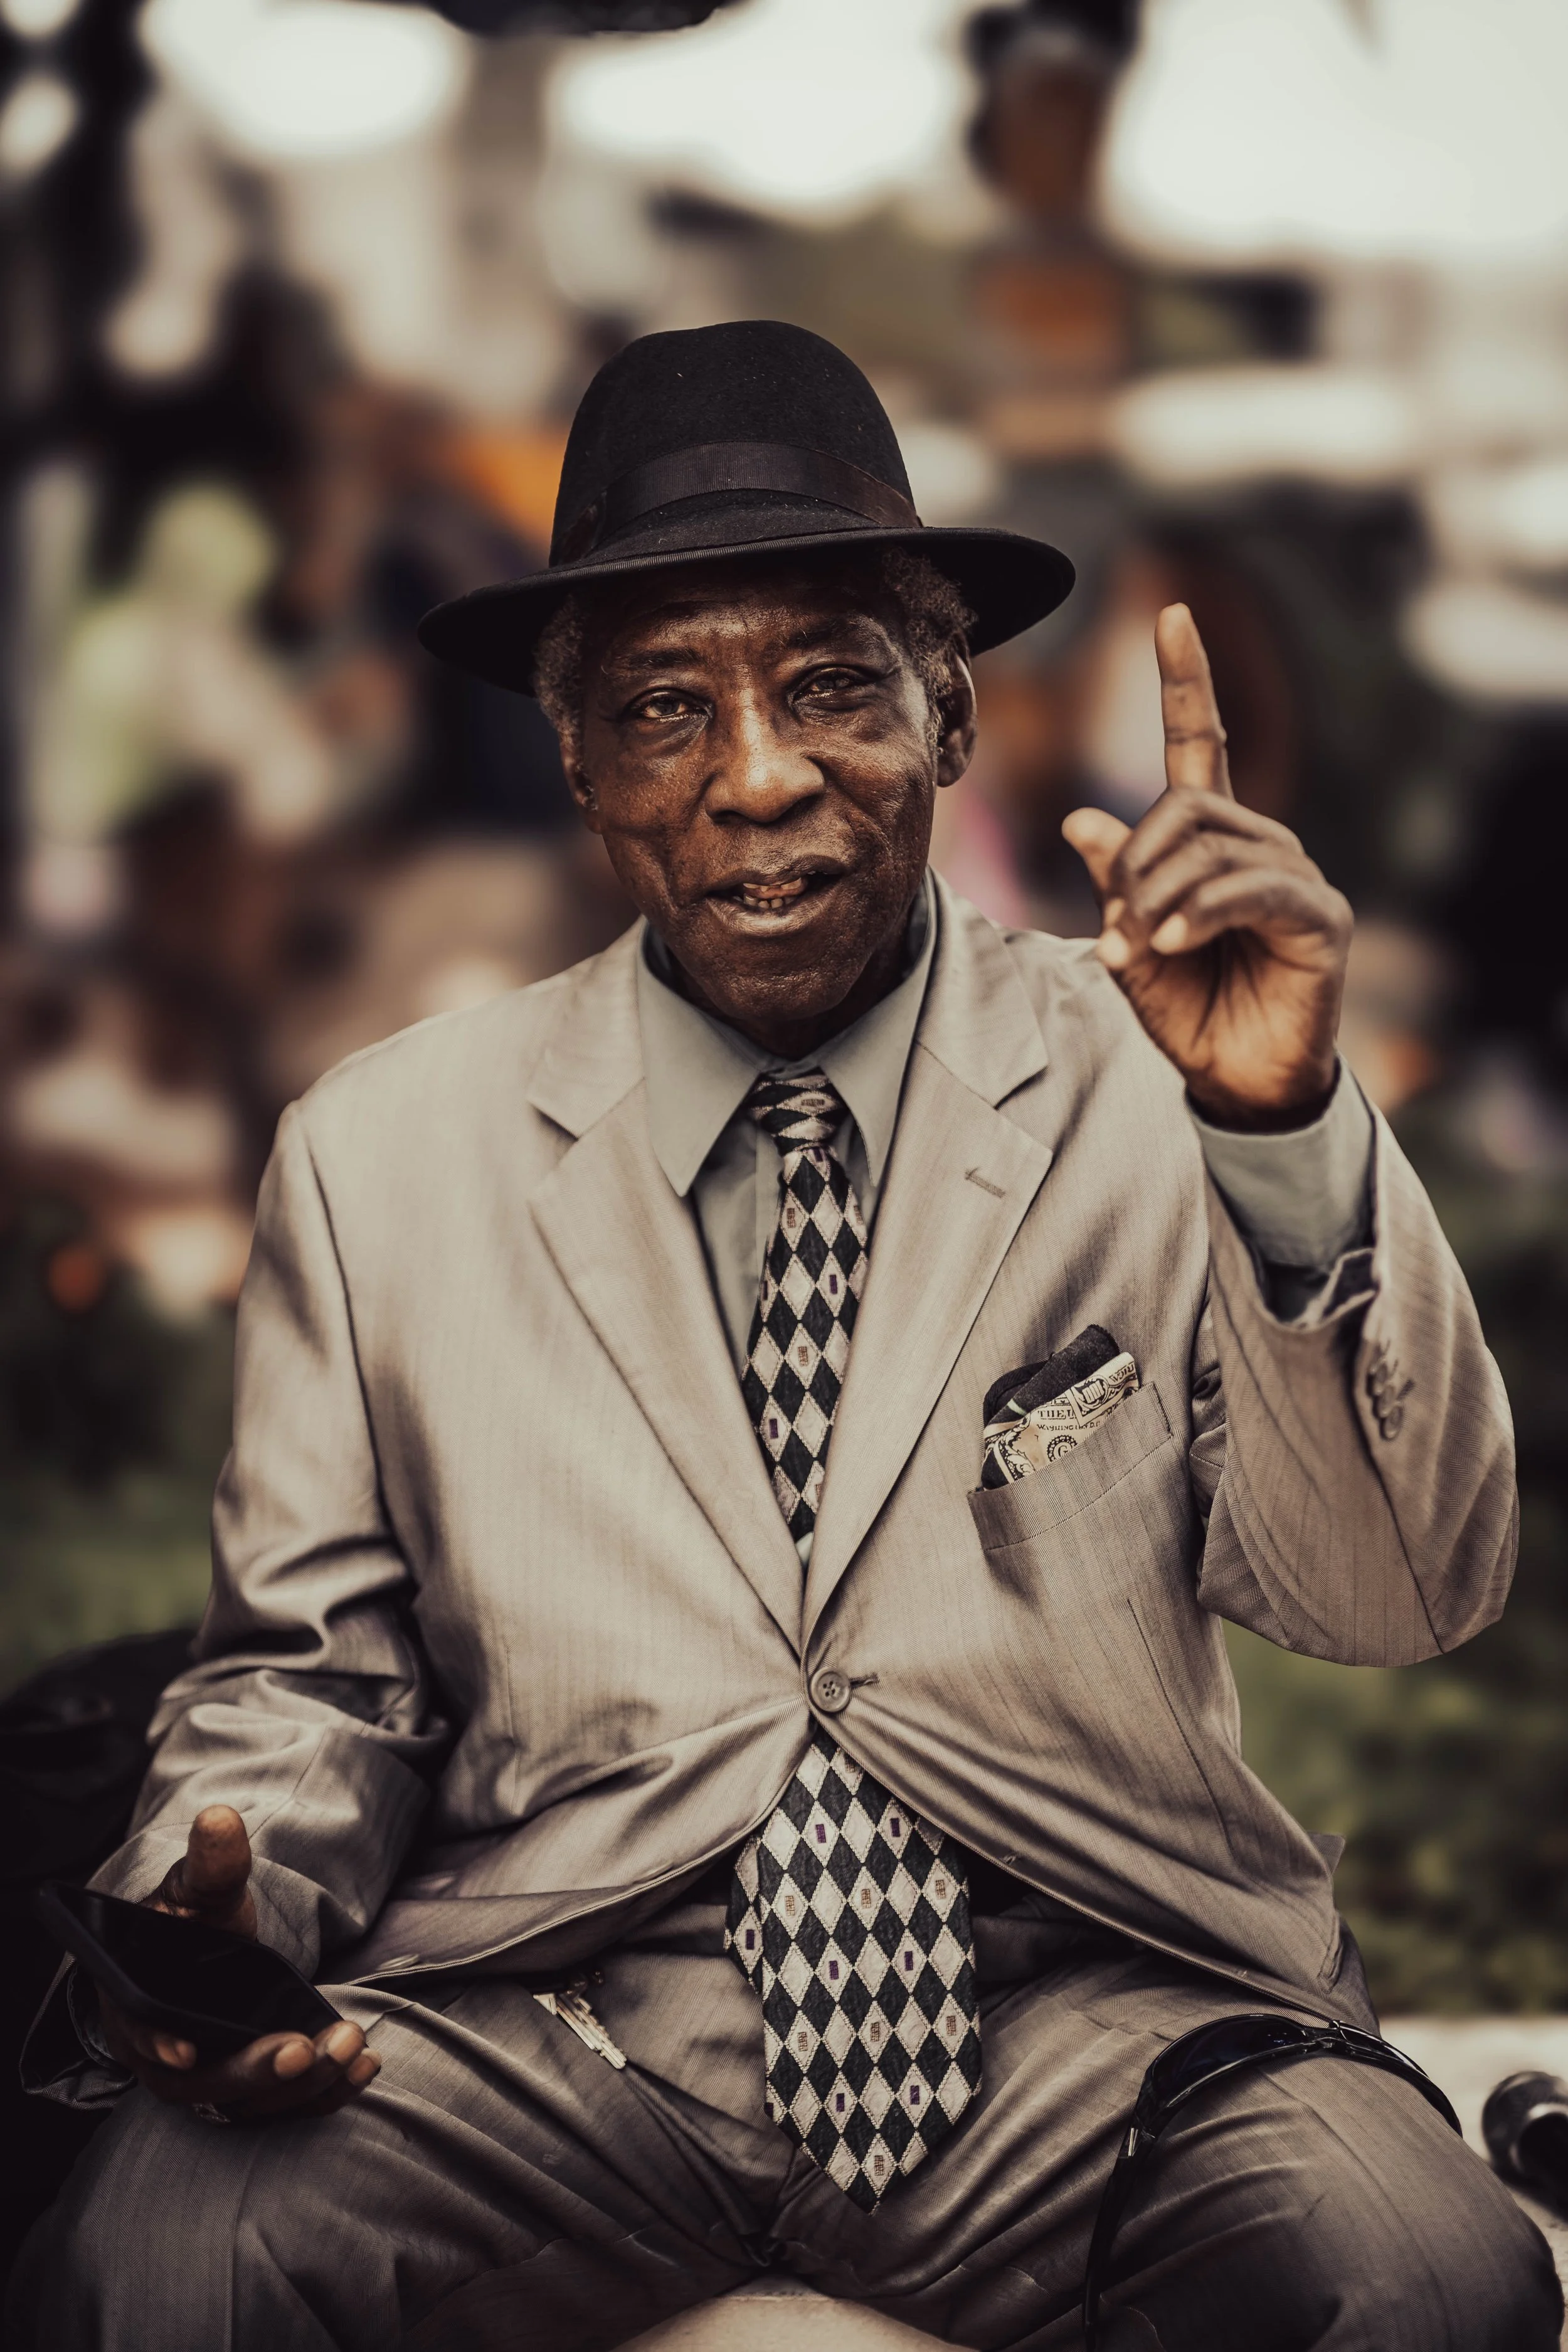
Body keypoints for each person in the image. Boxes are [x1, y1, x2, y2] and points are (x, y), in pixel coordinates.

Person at [13, 323, 1559, 2349]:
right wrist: (214, 1920)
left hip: (1093, 2026)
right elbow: (318, 1679)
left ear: (949, 716)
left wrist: (1272, 1131)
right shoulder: (380, 1153)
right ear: (576, 762)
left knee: (1428, 2277)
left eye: (832, 683)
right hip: (562, 2030)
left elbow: (1395, 1591)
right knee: (150, 2272)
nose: (756, 774)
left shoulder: (1155, 1064)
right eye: (666, 705)